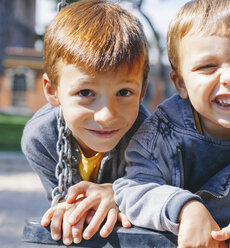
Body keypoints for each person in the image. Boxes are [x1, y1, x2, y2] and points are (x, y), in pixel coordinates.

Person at [113, 0, 230, 247]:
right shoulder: (161, 132)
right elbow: (134, 188)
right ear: (180, 83)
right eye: (208, 66)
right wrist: (184, 207)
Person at [21, 0, 149, 245]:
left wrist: (119, 193)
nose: (106, 115)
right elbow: (61, 196)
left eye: (123, 93)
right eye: (85, 93)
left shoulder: (150, 135)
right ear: (52, 90)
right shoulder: (40, 139)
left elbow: (157, 186)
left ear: (142, 92)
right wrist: (63, 206)